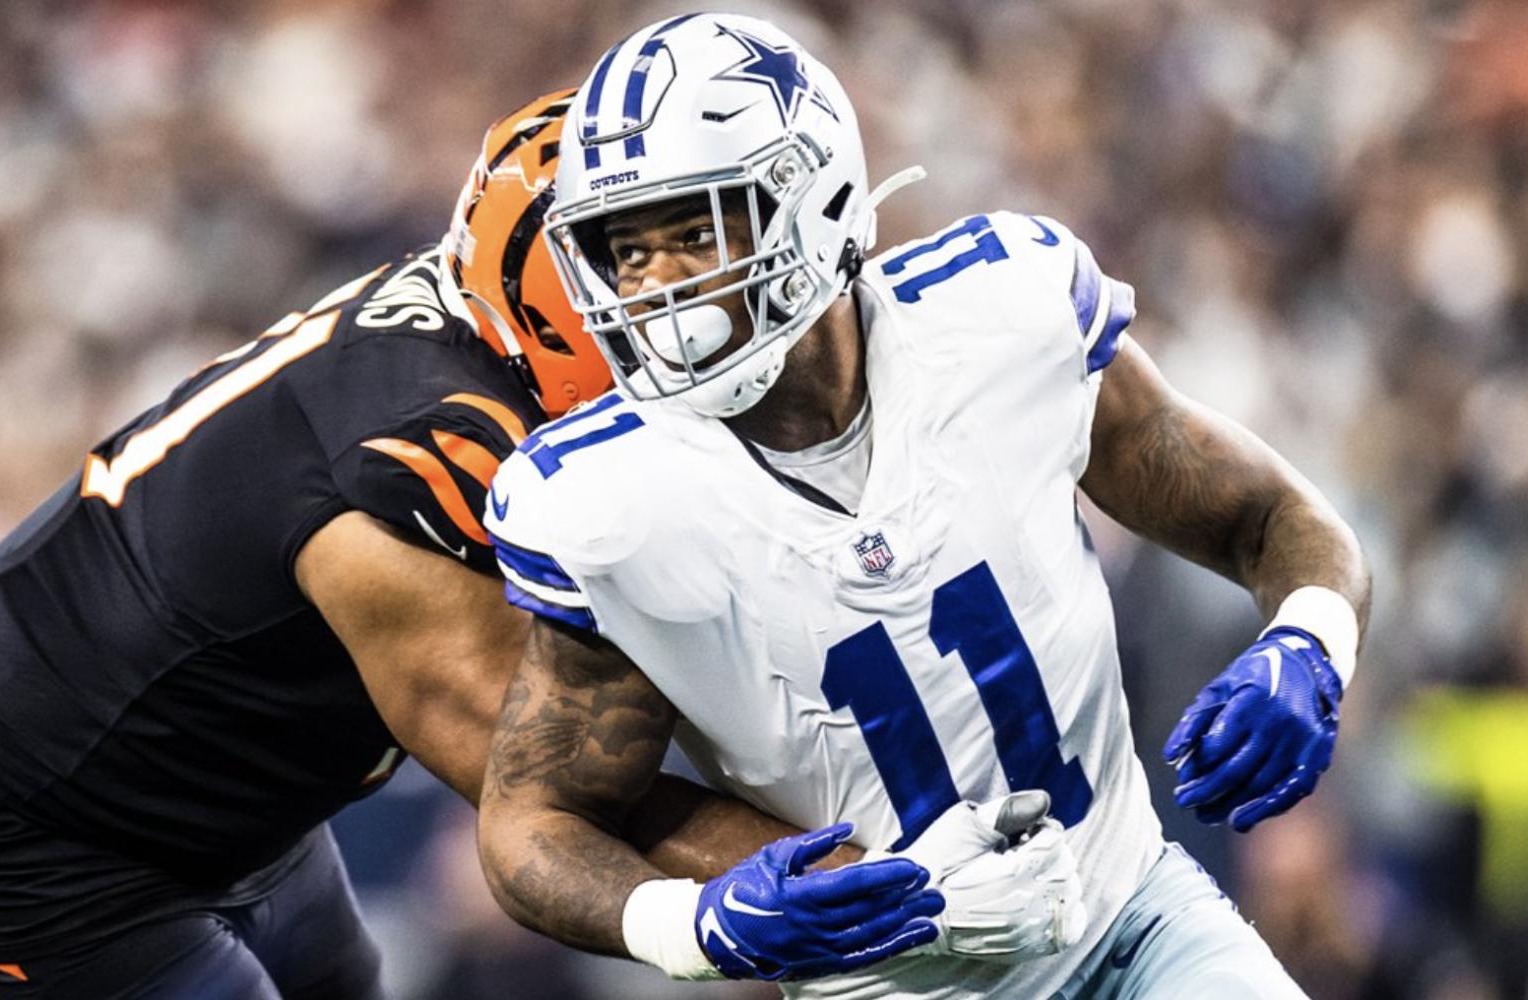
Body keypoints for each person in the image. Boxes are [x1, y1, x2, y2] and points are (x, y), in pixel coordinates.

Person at [0, 91, 963, 1000]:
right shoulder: (420, 468)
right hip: (45, 845)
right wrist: (908, 888)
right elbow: (558, 801)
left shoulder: (488, 346)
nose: (692, 297)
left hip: (244, 811)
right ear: (565, 293)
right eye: (642, 259)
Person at [478, 13, 1373, 1000]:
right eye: (626, 250)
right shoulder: (616, 502)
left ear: (810, 200)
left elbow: (1268, 517)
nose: (656, 284)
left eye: (694, 231)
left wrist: (1307, 643)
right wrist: (692, 923)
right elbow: (532, 819)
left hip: (1137, 922)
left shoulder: (1000, 320)